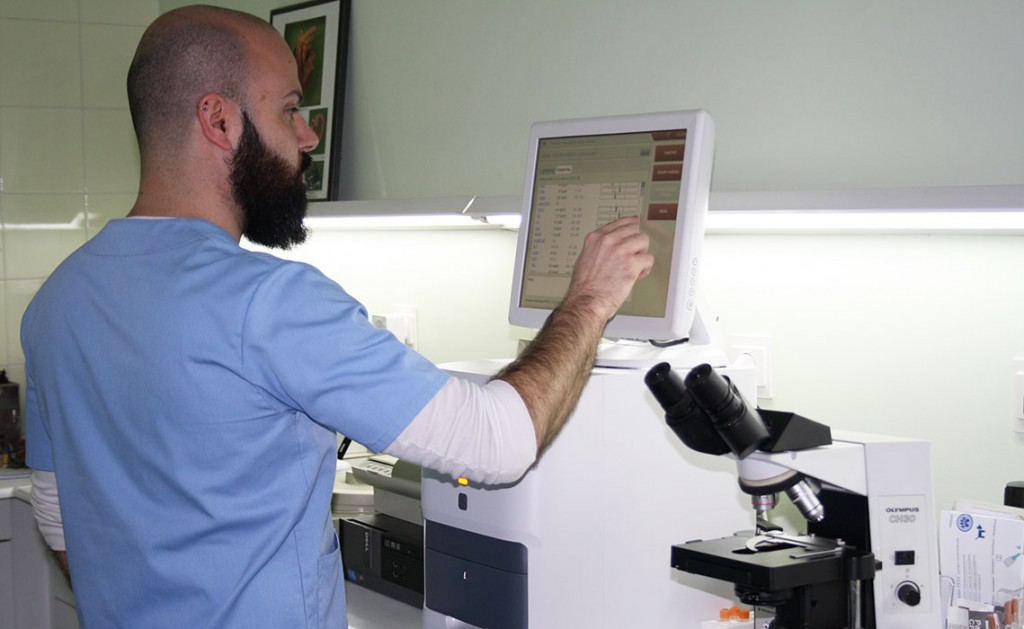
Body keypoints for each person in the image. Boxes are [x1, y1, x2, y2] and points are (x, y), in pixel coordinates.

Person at [21, 5, 653, 628]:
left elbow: (57, 522)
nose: (308, 136)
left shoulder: (58, 301)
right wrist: (591, 298)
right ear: (218, 119)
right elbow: (498, 441)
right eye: (290, 109)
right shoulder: (267, 303)